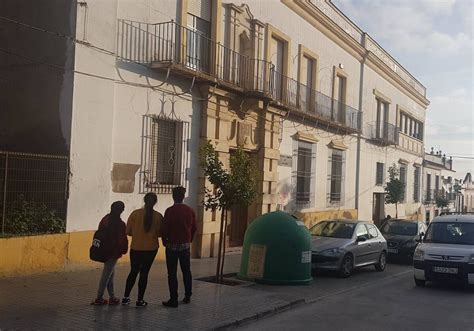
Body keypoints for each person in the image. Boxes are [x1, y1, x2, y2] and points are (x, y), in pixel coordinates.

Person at [122, 193, 163, 307]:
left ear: (144, 200)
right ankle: (140, 300)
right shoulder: (158, 216)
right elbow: (160, 233)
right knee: (144, 273)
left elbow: (128, 231)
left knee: (133, 272)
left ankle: (126, 297)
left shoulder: (135, 214)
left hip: (136, 248)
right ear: (155, 202)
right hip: (151, 249)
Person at [161, 186, 197, 308]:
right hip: (185, 246)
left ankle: (173, 299)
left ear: (173, 196)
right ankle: (188, 296)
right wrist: (189, 239)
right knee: (186, 271)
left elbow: (165, 228)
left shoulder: (169, 211)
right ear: (183, 196)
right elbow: (194, 227)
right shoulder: (190, 211)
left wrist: (164, 240)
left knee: (172, 273)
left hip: (171, 246)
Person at [91, 201, 128, 305]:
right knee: (107, 275)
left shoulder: (105, 219)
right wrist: (123, 250)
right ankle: (99, 297)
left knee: (110, 274)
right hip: (113, 253)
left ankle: (112, 296)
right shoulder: (120, 224)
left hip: (103, 250)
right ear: (121, 210)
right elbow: (122, 240)